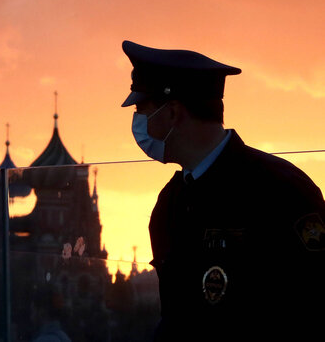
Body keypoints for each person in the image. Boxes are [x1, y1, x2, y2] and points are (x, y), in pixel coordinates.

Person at [121, 40, 325, 341]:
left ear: (174, 112)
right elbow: (176, 315)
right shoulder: (171, 202)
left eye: (141, 109)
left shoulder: (282, 190)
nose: (137, 122)